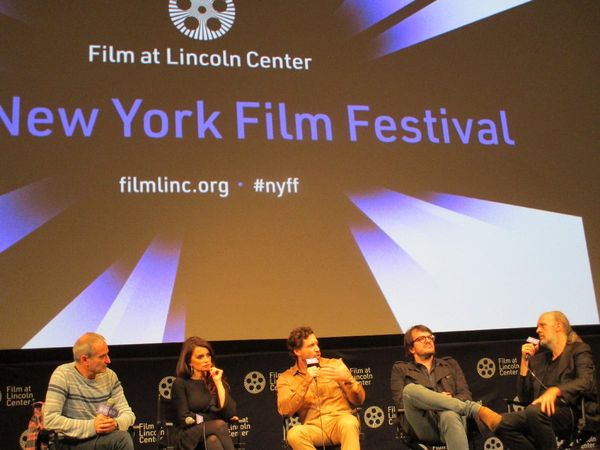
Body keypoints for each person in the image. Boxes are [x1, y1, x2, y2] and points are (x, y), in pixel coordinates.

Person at [495, 311, 600, 450]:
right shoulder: (540, 360)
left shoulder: (579, 350)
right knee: (501, 422)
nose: (537, 330)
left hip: (570, 411)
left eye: (542, 325)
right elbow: (524, 398)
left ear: (558, 326)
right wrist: (524, 362)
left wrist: (556, 391)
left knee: (534, 411)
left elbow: (586, 381)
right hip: (537, 413)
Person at [390, 324, 502, 450]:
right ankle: (475, 409)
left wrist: (444, 404)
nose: (428, 340)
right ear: (411, 348)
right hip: (423, 424)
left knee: (449, 414)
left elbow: (465, 395)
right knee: (409, 390)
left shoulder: (450, 364)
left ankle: (466, 409)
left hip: (453, 419)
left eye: (430, 337)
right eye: (421, 339)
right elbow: (401, 403)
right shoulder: (401, 369)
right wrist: (437, 400)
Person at [276, 326, 366, 450]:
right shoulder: (286, 378)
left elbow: (359, 400)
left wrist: (349, 380)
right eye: (311, 346)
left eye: (317, 344)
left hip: (339, 421)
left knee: (349, 423)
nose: (317, 349)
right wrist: (306, 381)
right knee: (294, 434)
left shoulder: (335, 365)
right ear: (297, 351)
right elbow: (285, 410)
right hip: (314, 428)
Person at [42, 332, 135, 450]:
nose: (108, 360)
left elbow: (127, 413)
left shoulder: (110, 376)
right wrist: (92, 426)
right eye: (102, 356)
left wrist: (115, 424)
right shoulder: (63, 375)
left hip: (99, 438)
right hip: (70, 442)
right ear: (85, 359)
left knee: (123, 435)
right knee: (122, 439)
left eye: (107, 355)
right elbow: (50, 420)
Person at [171, 336, 237, 450]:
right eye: (200, 357)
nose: (206, 360)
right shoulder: (180, 383)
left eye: (208, 355)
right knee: (220, 425)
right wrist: (213, 417)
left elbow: (230, 413)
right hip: (188, 435)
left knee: (213, 441)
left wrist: (218, 383)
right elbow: (184, 418)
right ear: (189, 361)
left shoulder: (215, 380)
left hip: (212, 434)